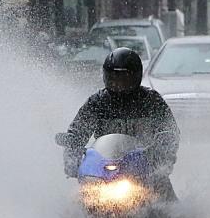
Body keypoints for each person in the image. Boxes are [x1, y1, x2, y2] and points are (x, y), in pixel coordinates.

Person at [62, 47, 179, 200]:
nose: (120, 84)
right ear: (106, 77)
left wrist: (163, 154)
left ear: (136, 76)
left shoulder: (151, 101)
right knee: (76, 203)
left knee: (170, 208)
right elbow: (77, 132)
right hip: (103, 171)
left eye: (125, 79)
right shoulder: (97, 102)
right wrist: (72, 157)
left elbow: (169, 130)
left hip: (145, 170)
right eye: (115, 78)